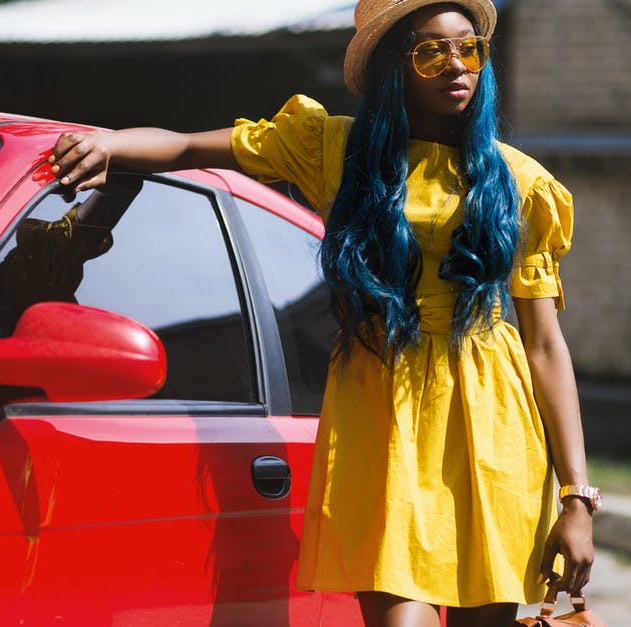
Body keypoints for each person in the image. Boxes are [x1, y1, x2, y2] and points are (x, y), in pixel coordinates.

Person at [49, 1, 597, 625]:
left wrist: (577, 496)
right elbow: (188, 147)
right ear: (396, 66)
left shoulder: (520, 182)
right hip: (379, 418)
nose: (456, 66)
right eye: (431, 51)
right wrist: (109, 143)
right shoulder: (336, 149)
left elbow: (547, 347)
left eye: (470, 49)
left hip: (492, 423)